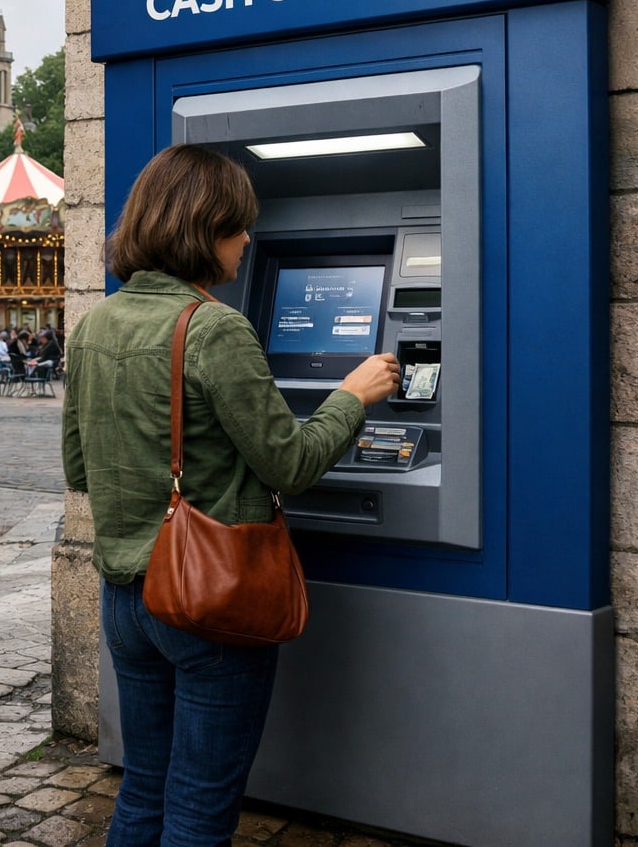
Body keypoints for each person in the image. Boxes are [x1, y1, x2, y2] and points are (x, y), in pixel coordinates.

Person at [60, 146, 399, 847]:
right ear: (203, 228)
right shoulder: (215, 327)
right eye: (238, 226)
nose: (249, 240)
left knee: (145, 787)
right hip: (208, 600)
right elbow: (292, 461)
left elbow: (80, 468)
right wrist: (351, 395)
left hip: (126, 595)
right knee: (199, 806)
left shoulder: (94, 325)